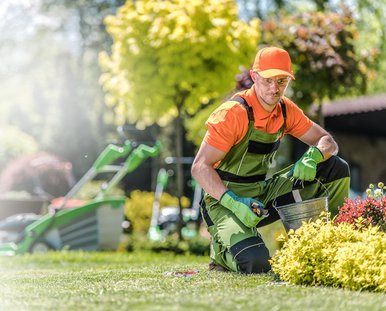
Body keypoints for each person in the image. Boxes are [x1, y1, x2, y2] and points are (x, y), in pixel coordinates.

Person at [191, 46, 350, 274]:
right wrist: (233, 202)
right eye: (268, 80)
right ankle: (220, 253)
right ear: (254, 77)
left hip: (261, 193)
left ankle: (330, 244)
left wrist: (313, 156)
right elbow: (199, 167)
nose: (275, 88)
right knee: (255, 263)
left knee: (335, 168)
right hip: (222, 200)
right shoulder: (233, 113)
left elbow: (327, 141)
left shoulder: (286, 111)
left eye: (282, 81)